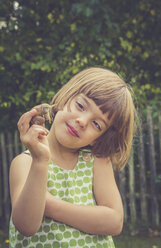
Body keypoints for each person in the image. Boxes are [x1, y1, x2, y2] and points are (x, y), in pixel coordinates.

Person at [9, 67, 135, 248]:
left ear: (98, 138)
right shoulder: (26, 163)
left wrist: (49, 204)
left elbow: (115, 222)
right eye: (81, 106)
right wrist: (41, 161)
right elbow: (26, 226)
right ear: (66, 96)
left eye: (97, 124)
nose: (82, 121)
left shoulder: (96, 162)